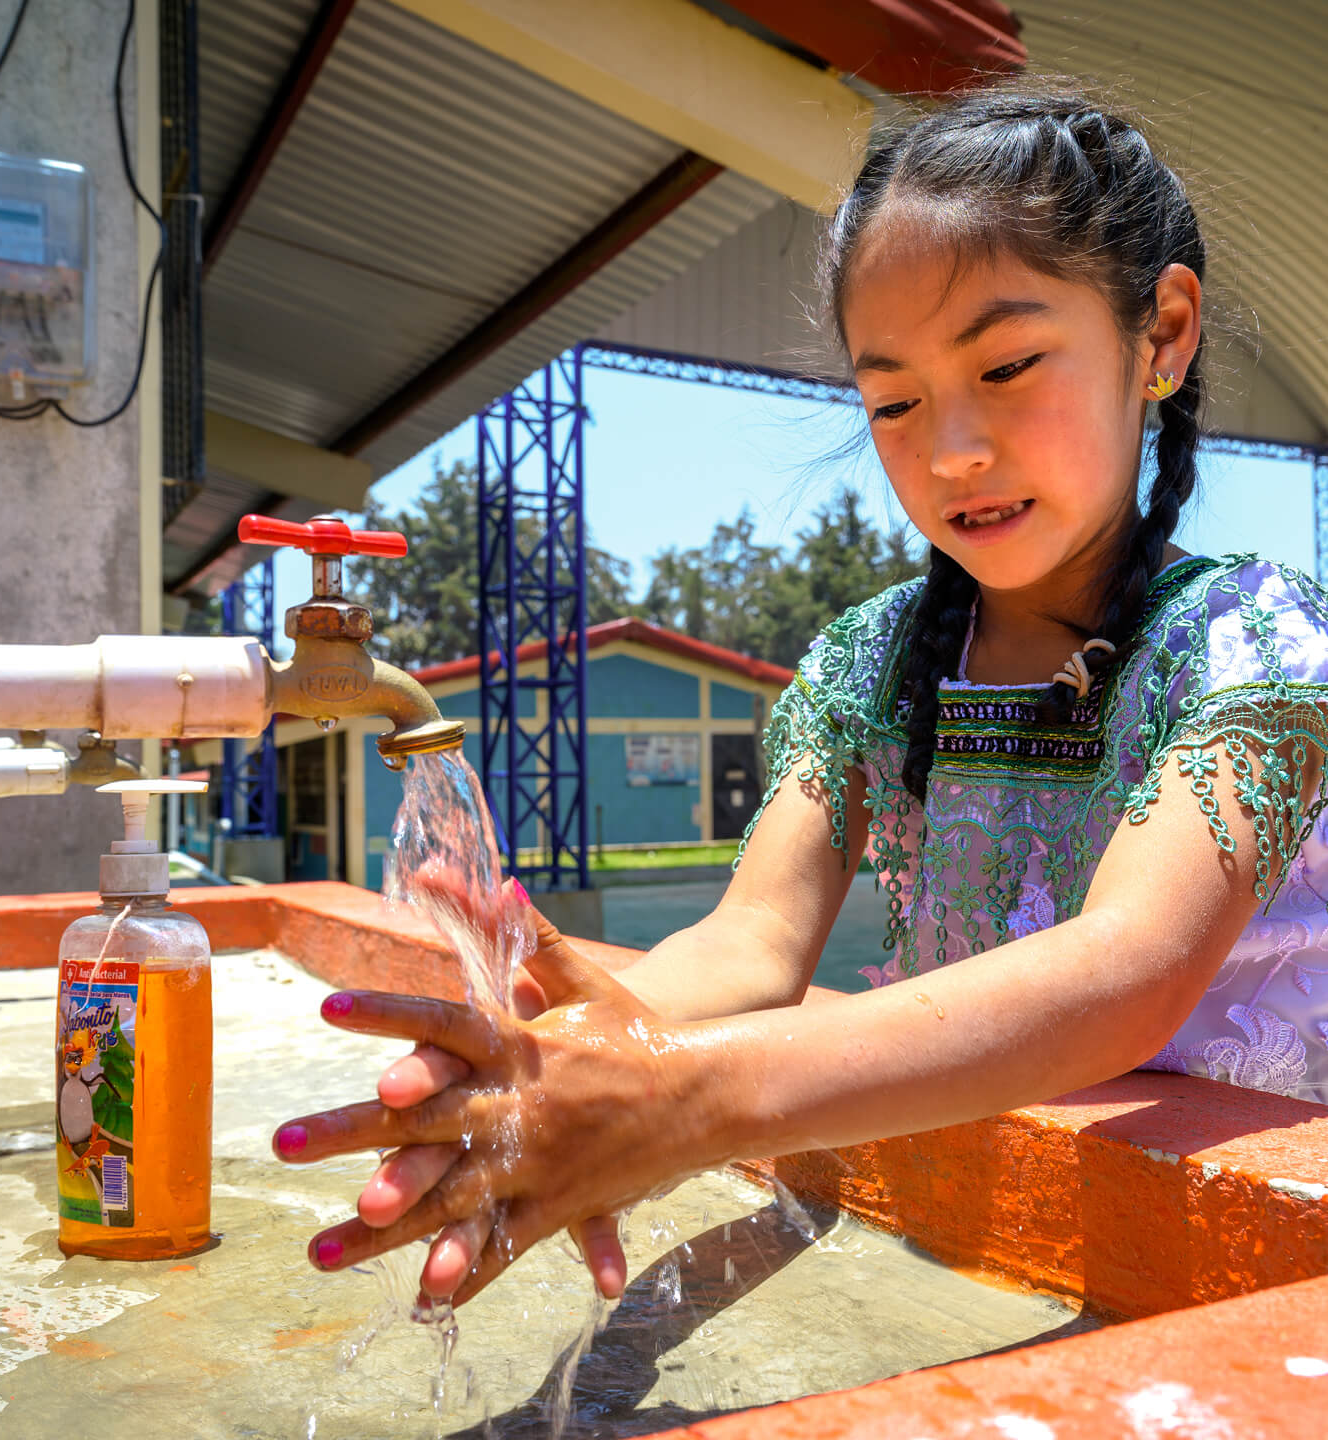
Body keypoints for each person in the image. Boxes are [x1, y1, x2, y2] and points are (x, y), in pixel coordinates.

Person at [274, 83, 1328, 1311]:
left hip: (1252, 1275)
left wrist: (684, 1098)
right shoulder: (868, 665)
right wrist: (565, 1057)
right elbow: (754, 942)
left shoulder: (1256, 643)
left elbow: (1125, 974)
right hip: (979, 1259)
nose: (951, 451)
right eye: (893, 402)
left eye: (1005, 365)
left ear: (1162, 336)